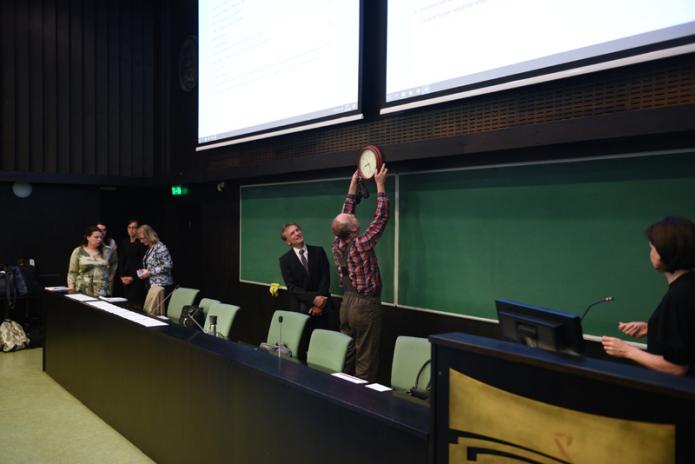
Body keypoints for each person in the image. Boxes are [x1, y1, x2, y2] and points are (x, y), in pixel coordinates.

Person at [602, 216, 695, 376]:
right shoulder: (689, 285)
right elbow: (687, 333)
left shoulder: (679, 296)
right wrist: (654, 329)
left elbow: (677, 368)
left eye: (652, 248)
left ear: (665, 253)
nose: (650, 253)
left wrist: (627, 350)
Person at [331, 164, 389, 381]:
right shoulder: (361, 244)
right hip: (365, 306)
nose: (354, 217)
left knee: (347, 351)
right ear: (354, 229)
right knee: (366, 356)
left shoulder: (337, 243)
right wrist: (380, 185)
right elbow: (380, 219)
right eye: (353, 220)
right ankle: (363, 396)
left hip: (346, 304)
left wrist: (353, 184)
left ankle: (342, 389)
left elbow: (345, 215)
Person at [279, 223, 333, 336]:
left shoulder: (319, 251)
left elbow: (325, 278)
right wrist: (313, 300)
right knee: (302, 342)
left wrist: (319, 304)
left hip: (323, 306)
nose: (297, 233)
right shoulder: (285, 260)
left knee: (322, 340)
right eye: (292, 233)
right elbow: (292, 287)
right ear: (288, 242)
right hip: (300, 308)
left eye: (297, 230)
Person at [67, 225, 118, 297]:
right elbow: (72, 272)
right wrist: (71, 288)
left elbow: (114, 263)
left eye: (101, 237)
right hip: (82, 290)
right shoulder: (78, 251)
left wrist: (111, 276)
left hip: (102, 291)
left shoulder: (108, 251)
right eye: (96, 237)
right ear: (88, 237)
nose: (99, 239)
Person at [136, 224, 175, 302]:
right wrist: (144, 272)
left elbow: (168, 265)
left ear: (149, 235)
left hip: (161, 286)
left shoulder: (160, 247)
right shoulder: (151, 248)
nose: (141, 241)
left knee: (159, 309)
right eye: (140, 239)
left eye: (142, 238)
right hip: (153, 286)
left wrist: (149, 272)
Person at [118, 219, 147, 309]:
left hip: (137, 278)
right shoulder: (124, 242)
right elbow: (121, 260)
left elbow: (143, 262)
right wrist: (121, 276)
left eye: (134, 227)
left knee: (136, 305)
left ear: (138, 229)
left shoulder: (142, 243)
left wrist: (133, 277)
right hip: (125, 278)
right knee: (127, 304)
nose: (131, 230)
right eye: (129, 227)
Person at [96, 222, 118, 293]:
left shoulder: (111, 242)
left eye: (104, 230)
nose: (102, 232)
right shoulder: (92, 242)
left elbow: (114, 261)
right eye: (99, 230)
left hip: (106, 277)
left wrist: (112, 275)